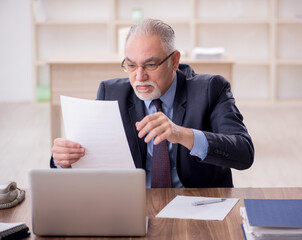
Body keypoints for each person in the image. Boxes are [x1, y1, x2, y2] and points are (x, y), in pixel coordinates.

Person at [50, 18, 254, 188]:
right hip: (133, 203)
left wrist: (183, 134)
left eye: (150, 64)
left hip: (197, 203)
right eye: (131, 65)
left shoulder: (211, 89)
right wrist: (63, 160)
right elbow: (90, 158)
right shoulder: (111, 93)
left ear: (174, 61)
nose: (139, 76)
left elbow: (244, 153)